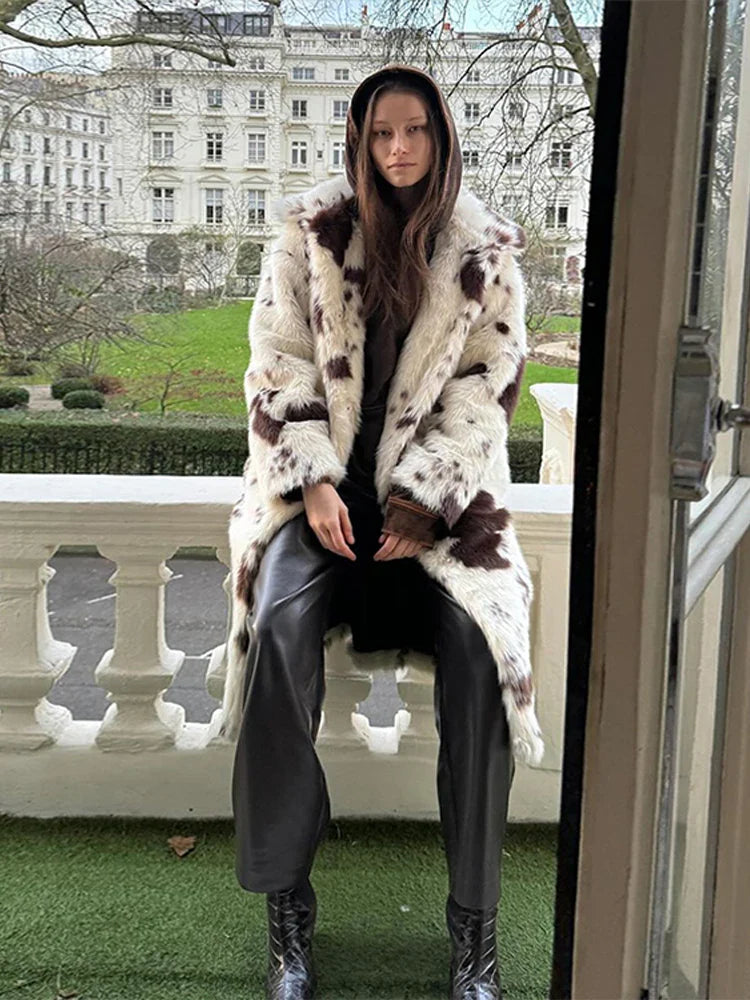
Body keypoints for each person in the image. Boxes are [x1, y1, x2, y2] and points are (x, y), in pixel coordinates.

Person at [223, 63, 545, 1000]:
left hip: (441, 510)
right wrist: (314, 479)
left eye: (415, 130)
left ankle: (475, 931)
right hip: (319, 497)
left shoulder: (486, 249)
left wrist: (419, 499)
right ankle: (287, 914)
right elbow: (276, 362)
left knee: (482, 654)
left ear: (441, 136)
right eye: (381, 133)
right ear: (360, 141)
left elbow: (489, 388)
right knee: (278, 623)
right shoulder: (310, 232)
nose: (399, 149)